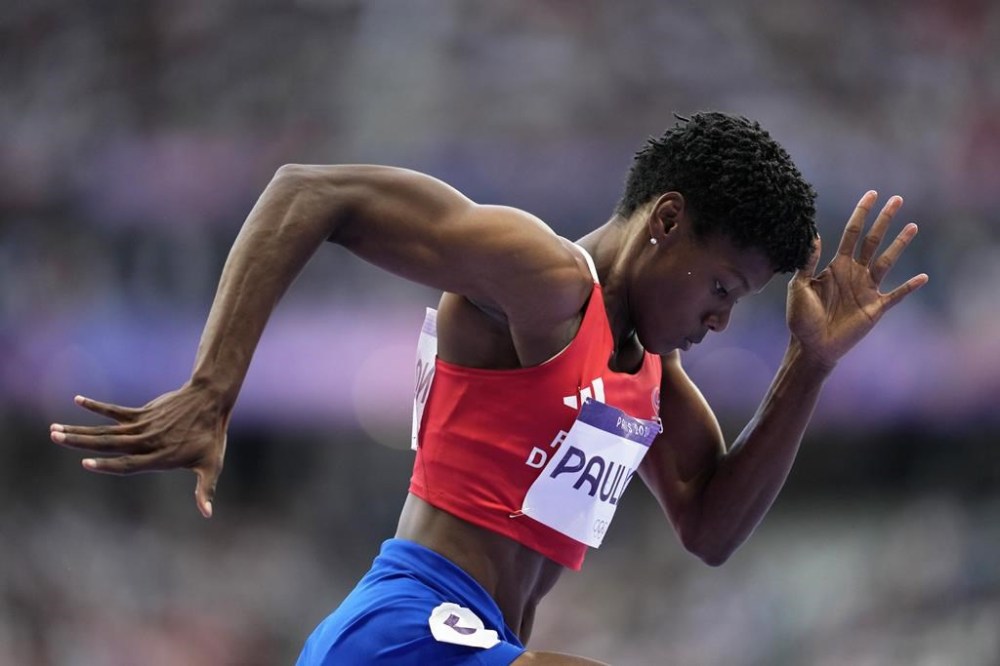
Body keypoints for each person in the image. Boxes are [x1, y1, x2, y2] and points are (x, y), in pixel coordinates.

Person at [49, 112, 927, 665]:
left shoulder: (651, 374)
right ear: (666, 223)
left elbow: (708, 528)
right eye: (723, 290)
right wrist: (212, 388)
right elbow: (309, 194)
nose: (721, 321)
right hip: (406, 627)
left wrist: (809, 366)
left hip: (482, 647)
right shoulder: (544, 281)